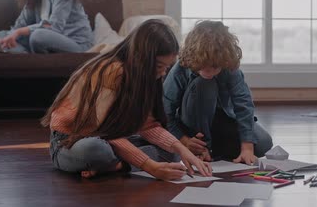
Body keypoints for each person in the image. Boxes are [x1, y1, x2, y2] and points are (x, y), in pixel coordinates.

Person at [41, 20, 212, 180]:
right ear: (142, 57)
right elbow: (104, 132)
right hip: (70, 141)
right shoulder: (111, 71)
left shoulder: (146, 76)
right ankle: (112, 163)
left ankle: (114, 165)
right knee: (97, 151)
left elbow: (148, 127)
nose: (162, 73)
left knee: (172, 153)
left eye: (166, 68)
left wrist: (183, 150)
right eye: (160, 66)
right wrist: (152, 168)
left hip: (111, 137)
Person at [163, 20, 273, 165]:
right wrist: (184, 141)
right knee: (204, 84)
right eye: (206, 66)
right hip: (191, 126)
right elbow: (165, 113)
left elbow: (244, 104)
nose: (212, 71)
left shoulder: (228, 66)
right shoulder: (179, 70)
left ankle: (216, 148)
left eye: (216, 67)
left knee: (264, 143)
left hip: (221, 119)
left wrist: (247, 147)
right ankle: (204, 147)